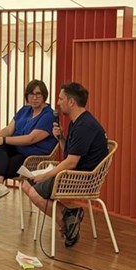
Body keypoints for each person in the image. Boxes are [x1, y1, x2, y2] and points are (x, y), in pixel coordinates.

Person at [0, 79, 58, 233]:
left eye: (38, 94)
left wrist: (3, 140)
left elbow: (31, 139)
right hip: (17, 150)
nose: (34, 98)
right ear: (27, 96)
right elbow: (9, 128)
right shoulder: (24, 110)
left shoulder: (48, 115)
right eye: (31, 94)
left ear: (44, 96)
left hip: (32, 158)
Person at [22, 82, 108, 247]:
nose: (58, 103)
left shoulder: (84, 126)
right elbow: (70, 154)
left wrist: (45, 175)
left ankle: (67, 223)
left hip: (80, 178)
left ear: (71, 102)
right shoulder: (77, 122)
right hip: (72, 173)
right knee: (26, 185)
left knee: (33, 193)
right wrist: (61, 138)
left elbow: (71, 162)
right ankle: (69, 216)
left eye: (61, 99)